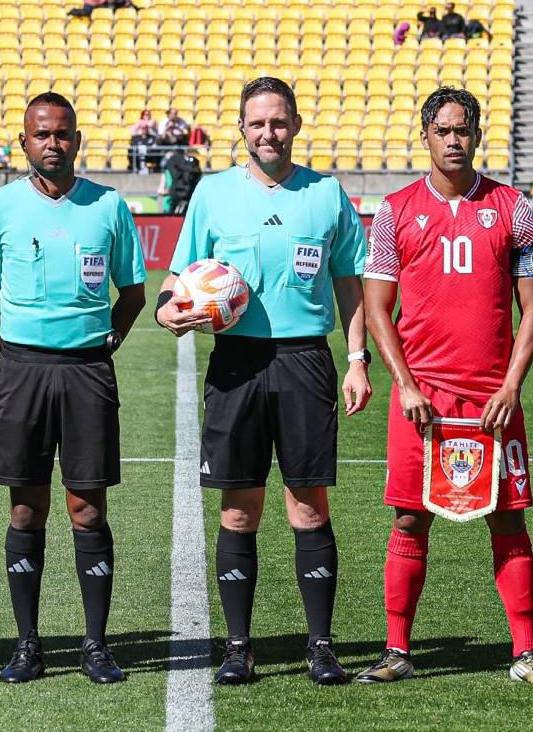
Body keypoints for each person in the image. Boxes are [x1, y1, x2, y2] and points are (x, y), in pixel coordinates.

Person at [156, 77, 371, 687]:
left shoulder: (327, 195)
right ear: (241, 130)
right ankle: (238, 645)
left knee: (307, 505)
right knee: (238, 509)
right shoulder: (213, 194)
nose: (268, 133)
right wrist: (170, 308)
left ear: (296, 125)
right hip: (235, 363)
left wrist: (357, 359)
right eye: (257, 123)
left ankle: (322, 646)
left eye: (278, 122)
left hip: (305, 361)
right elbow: (178, 280)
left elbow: (349, 284)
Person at [358, 86, 533, 689]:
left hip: (494, 400)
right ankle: (397, 649)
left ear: (477, 135)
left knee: (508, 519)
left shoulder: (514, 207)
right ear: (425, 135)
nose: (453, 140)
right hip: (421, 399)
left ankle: (524, 653)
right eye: (442, 130)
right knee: (409, 520)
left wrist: (512, 387)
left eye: (462, 130)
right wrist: (407, 386)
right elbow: (376, 312)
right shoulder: (394, 211)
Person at [0, 92, 146, 686]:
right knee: (26, 506)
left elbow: (134, 293)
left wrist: (105, 345)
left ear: (76, 140)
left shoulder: (108, 207)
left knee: (87, 507)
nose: (53, 142)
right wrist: (16, 353)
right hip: (22, 370)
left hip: (88, 372)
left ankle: (96, 645)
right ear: (24, 143)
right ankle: (28, 645)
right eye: (42, 134)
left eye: (63, 133)